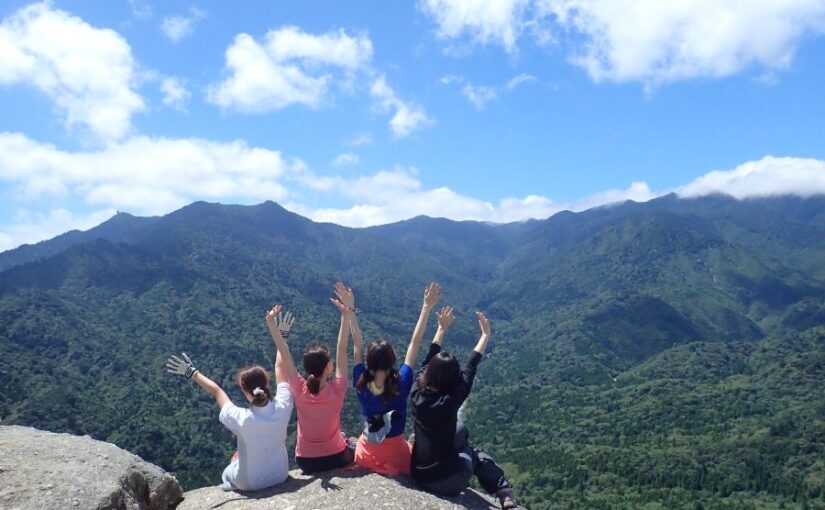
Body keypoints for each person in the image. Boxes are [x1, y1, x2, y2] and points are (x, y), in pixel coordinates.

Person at [164, 306, 294, 492]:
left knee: (228, 470)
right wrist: (281, 336)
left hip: (250, 484)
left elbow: (217, 391)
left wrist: (191, 372)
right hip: (280, 475)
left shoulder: (241, 418)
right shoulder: (284, 405)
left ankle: (231, 478)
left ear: (244, 390)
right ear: (266, 383)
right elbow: (280, 369)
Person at [409, 309, 517, 509]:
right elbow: (471, 367)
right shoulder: (452, 398)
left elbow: (428, 360)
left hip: (418, 474)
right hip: (449, 482)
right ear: (454, 379)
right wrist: (485, 335)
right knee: (475, 455)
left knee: (459, 430)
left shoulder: (417, 391)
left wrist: (441, 328)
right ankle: (504, 491)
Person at [350, 282, 442, 475]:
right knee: (410, 444)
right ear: (392, 360)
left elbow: (357, 346)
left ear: (369, 361)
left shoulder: (360, 381)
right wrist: (426, 307)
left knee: (355, 439)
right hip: (395, 456)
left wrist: (350, 309)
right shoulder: (402, 383)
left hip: (367, 453)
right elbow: (414, 344)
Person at [278, 281, 357, 473]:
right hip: (336, 457)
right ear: (330, 366)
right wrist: (347, 313)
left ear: (304, 368)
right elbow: (342, 348)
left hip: (305, 461)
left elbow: (282, 361)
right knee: (355, 442)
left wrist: (281, 335)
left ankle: (343, 438)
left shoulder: (298, 388)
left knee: (343, 436)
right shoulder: (337, 389)